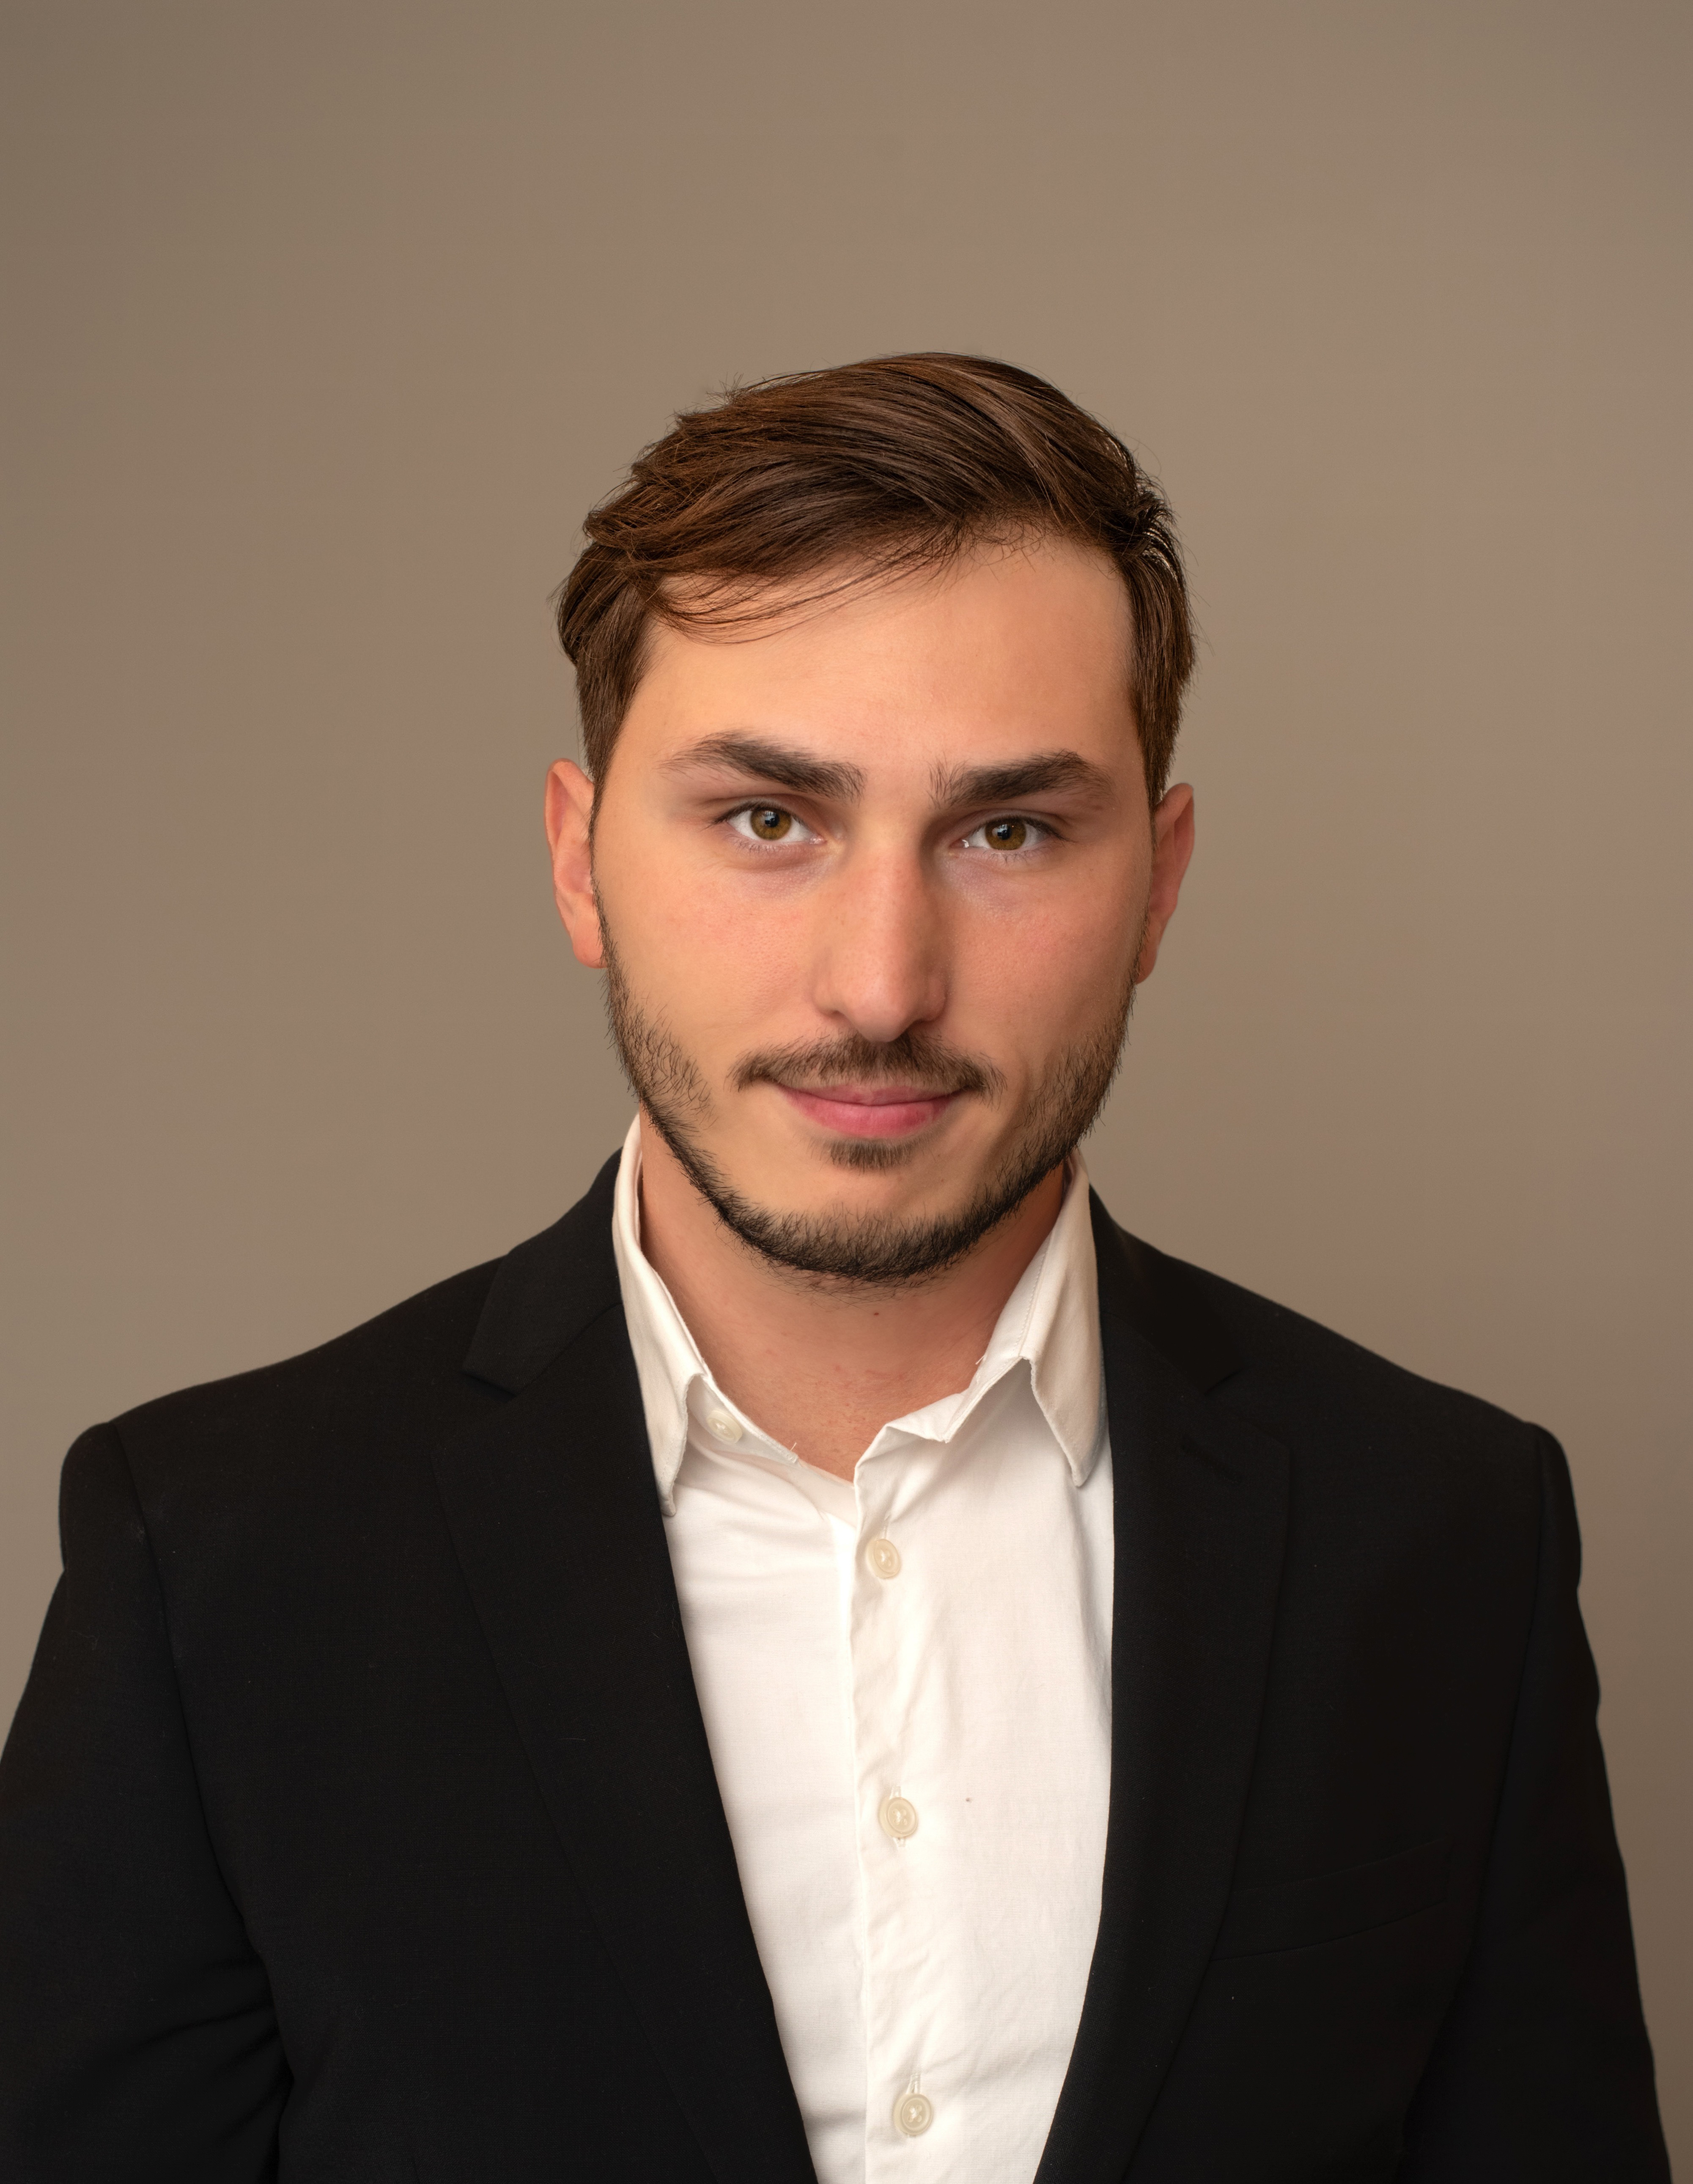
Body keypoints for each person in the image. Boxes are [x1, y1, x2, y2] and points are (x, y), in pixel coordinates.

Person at [0, 354, 1668, 2183]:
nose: (880, 985)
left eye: (1007, 830)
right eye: (767, 819)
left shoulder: (1445, 1536)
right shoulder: (215, 1560)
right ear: (578, 861)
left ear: (1158, 884)